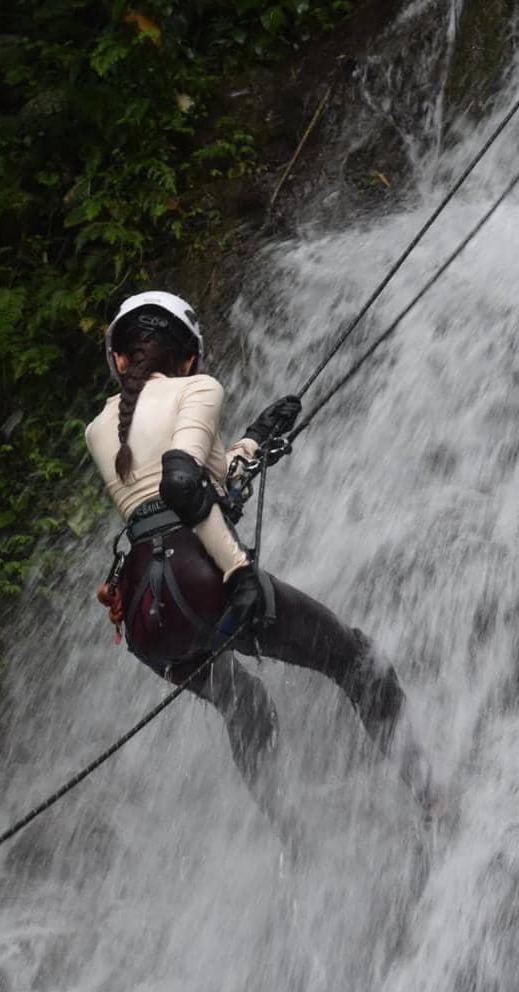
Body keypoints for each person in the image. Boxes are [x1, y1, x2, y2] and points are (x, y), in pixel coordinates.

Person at [85, 290, 433, 838]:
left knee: (245, 705)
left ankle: (293, 836)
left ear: (119, 359)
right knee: (356, 658)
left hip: (147, 618)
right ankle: (434, 802)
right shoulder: (198, 388)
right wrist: (240, 571)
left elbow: (184, 484)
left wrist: (257, 439)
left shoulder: (99, 428)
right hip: (199, 582)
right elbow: (180, 482)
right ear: (190, 360)